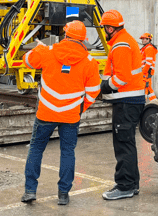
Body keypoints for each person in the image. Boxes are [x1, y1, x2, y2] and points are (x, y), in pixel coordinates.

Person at [20, 21, 100, 205]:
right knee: (67, 152)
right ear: (83, 40)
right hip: (71, 116)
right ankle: (63, 194)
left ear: (66, 35)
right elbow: (93, 91)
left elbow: (26, 61)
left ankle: (30, 191)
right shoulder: (89, 62)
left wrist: (37, 48)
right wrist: (79, 108)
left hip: (45, 113)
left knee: (36, 149)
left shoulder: (47, 52)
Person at [99, 10, 145, 200]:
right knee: (128, 144)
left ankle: (124, 186)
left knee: (123, 145)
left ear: (110, 28)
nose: (104, 32)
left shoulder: (120, 45)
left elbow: (122, 77)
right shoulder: (124, 41)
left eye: (104, 28)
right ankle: (131, 184)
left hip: (126, 102)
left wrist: (106, 86)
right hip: (130, 101)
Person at [139, 32, 157, 102]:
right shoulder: (145, 48)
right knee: (148, 88)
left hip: (146, 72)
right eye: (142, 39)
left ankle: (145, 102)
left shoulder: (149, 48)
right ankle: (155, 102)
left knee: (146, 88)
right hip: (145, 72)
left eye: (144, 39)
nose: (142, 40)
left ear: (148, 39)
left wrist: (143, 73)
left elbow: (148, 63)